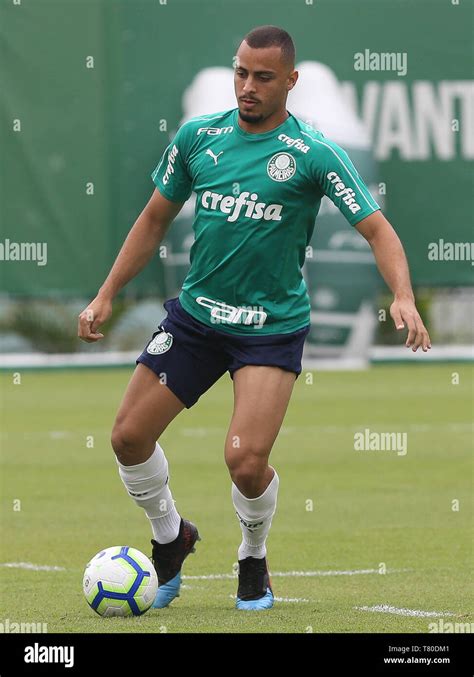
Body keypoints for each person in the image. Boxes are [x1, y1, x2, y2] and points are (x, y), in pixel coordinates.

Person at [78, 25, 431, 611]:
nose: (247, 85)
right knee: (128, 437)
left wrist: (403, 295)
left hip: (269, 330)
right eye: (240, 72)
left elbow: (377, 228)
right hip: (196, 321)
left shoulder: (313, 154)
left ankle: (252, 555)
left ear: (290, 81)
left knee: (244, 462)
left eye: (263, 77)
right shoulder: (198, 137)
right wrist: (107, 293)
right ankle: (171, 539)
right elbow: (153, 220)